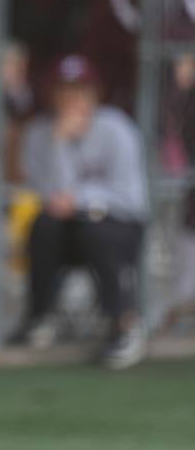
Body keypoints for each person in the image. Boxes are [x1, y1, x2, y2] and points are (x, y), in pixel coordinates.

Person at [12, 54, 149, 370]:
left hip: (118, 226)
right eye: (65, 90)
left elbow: (129, 197)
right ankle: (41, 317)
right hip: (68, 230)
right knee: (43, 225)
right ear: (53, 94)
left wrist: (81, 200)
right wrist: (59, 142)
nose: (73, 99)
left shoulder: (116, 128)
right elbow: (51, 196)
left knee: (95, 229)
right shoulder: (41, 133)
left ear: (95, 93)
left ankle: (123, 324)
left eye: (80, 90)